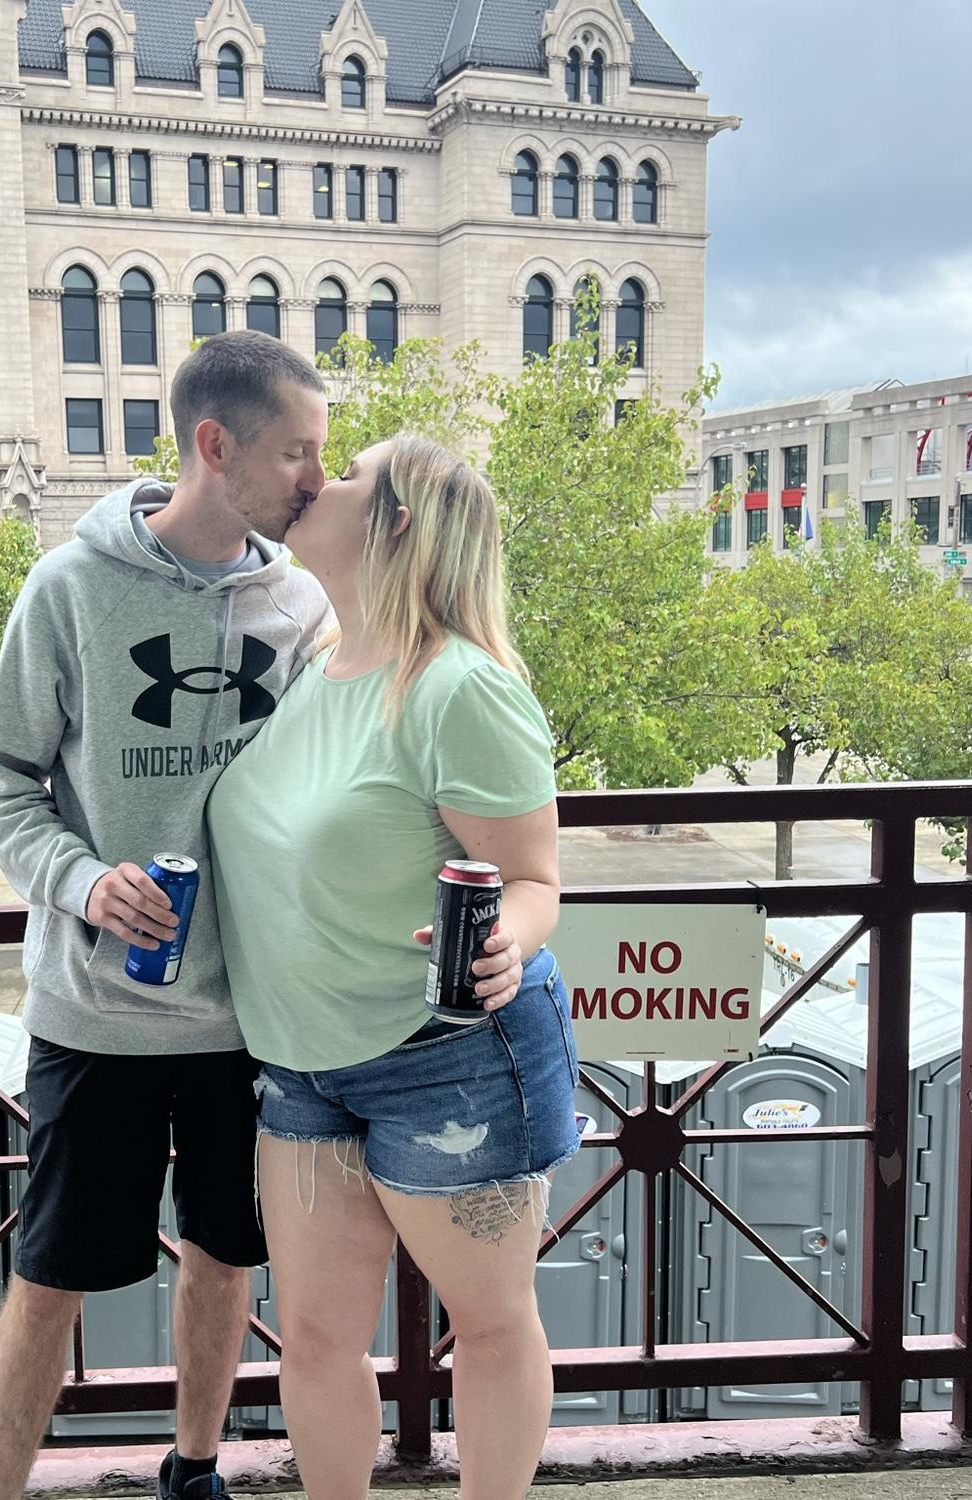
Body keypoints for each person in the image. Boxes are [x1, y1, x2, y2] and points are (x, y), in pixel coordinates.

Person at [0, 335, 528, 1500]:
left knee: (226, 1259)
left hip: (260, 1028)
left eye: (330, 458)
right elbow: (1, 784)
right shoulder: (67, 588)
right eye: (297, 453)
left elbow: (412, 748)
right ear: (215, 447)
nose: (315, 479)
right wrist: (81, 883)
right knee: (50, 1275)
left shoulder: (306, 602)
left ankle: (195, 1469)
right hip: (100, 1013)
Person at [207, 433, 579, 1500]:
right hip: (302, 1062)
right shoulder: (316, 666)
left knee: (491, 1325)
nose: (316, 479)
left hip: (449, 1058)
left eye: (348, 473)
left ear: (397, 521)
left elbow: (534, 878)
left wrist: (507, 941)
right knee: (316, 1339)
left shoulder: (459, 687)